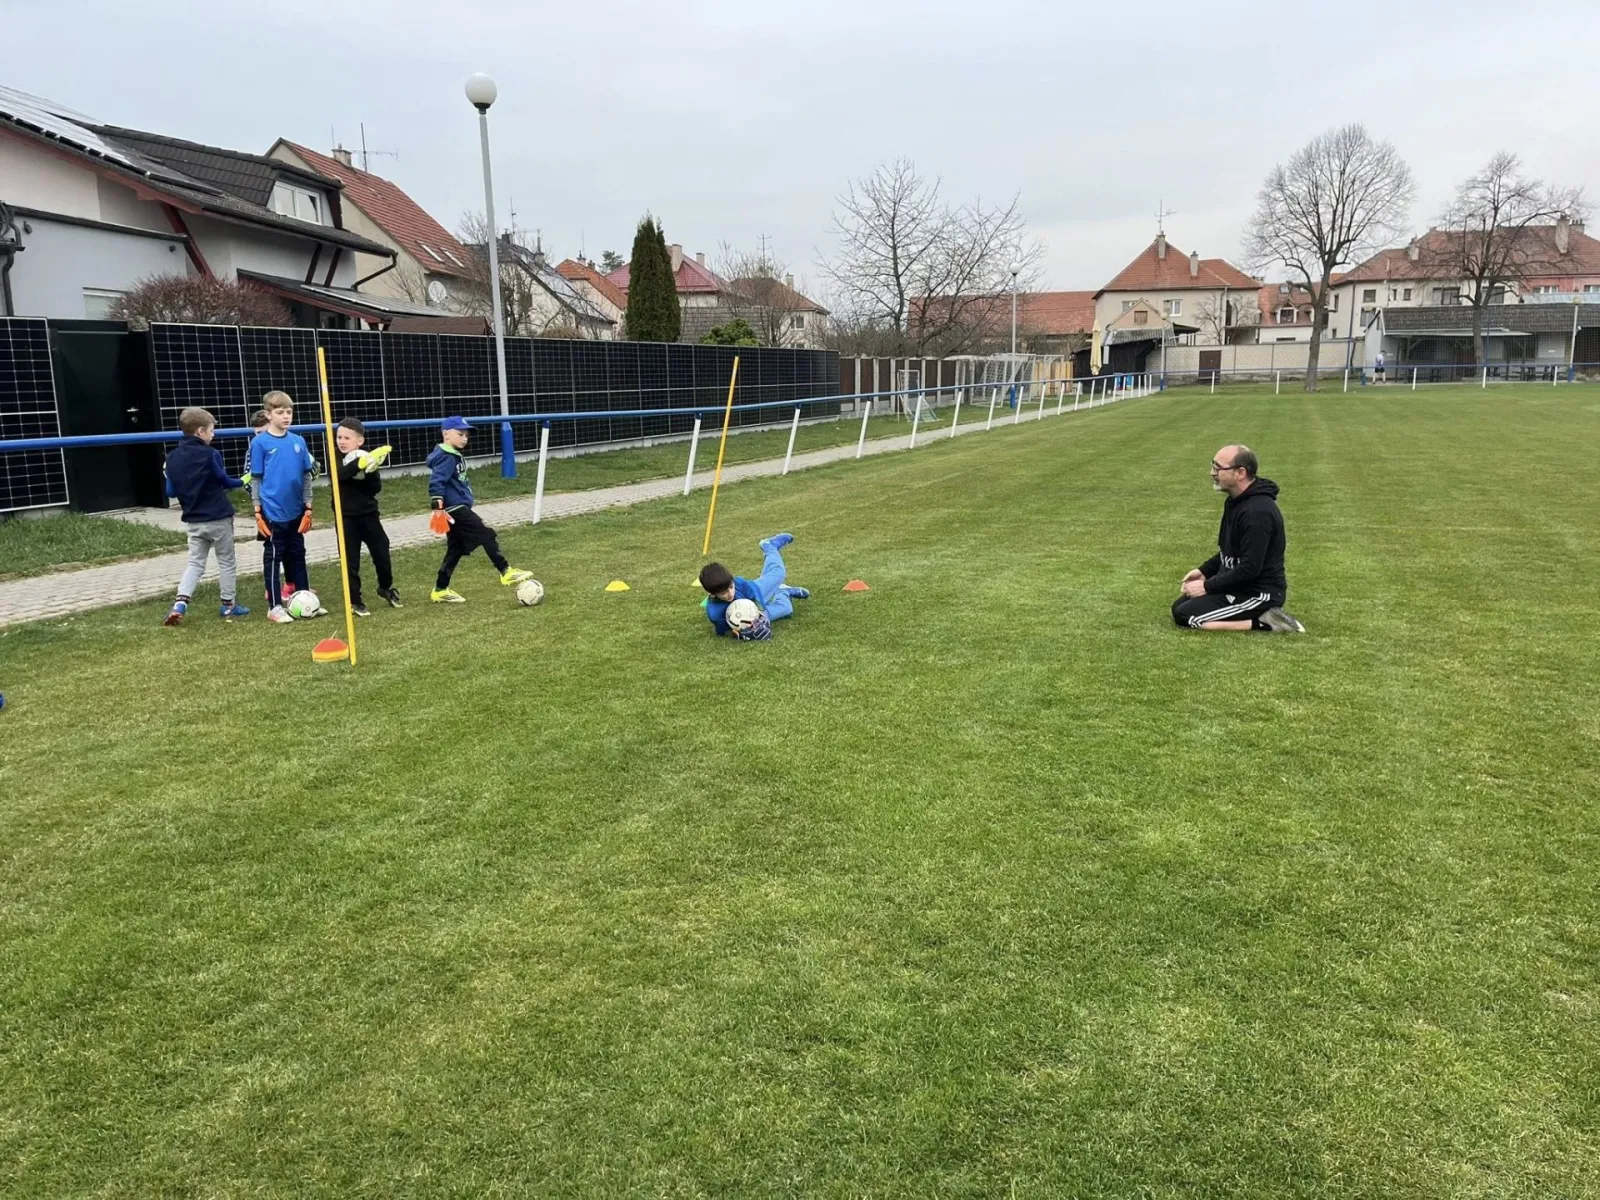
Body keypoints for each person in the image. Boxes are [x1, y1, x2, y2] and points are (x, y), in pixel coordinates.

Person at [1173, 444, 1305, 633]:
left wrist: (1206, 587)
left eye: (1218, 468)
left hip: (1258, 593)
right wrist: (1204, 571)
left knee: (1186, 615)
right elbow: (1230, 551)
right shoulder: (1236, 502)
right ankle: (1262, 618)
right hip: (1239, 586)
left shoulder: (1257, 512)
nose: (1212, 473)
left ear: (1240, 473)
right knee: (1179, 607)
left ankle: (1266, 622)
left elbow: (1250, 568)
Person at [426, 416, 533, 602]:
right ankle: (505, 571)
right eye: (460, 434)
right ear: (446, 434)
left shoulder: (451, 454)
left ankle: (440, 589)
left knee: (455, 549)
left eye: (466, 435)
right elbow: (436, 481)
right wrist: (437, 505)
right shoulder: (446, 456)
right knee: (486, 534)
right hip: (455, 508)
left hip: (455, 507)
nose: (464, 438)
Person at [162, 406, 249, 625]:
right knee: (226, 561)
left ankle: (180, 603)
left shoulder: (171, 458)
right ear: (200, 431)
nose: (214, 434)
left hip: (193, 520)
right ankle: (228, 605)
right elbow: (224, 481)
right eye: (211, 430)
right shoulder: (211, 454)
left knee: (195, 563)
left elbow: (170, 492)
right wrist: (244, 479)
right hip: (218, 516)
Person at [248, 390, 321, 623]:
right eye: (280, 412)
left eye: (289, 412)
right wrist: (257, 510)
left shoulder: (298, 441)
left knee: (298, 554)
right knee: (274, 556)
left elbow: (306, 475)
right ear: (268, 414)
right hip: (272, 511)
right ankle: (274, 606)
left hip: (296, 510)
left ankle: (305, 600)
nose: (286, 416)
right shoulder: (259, 443)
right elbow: (256, 478)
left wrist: (308, 506)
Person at [333, 417, 399, 616]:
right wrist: (358, 464)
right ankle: (355, 601)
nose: (341, 441)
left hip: (369, 514)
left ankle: (385, 587)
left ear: (359, 441)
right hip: (346, 517)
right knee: (350, 560)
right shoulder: (335, 456)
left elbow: (375, 488)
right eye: (339, 437)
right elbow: (341, 475)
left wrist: (370, 469)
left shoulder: (366, 456)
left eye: (347, 438)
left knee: (382, 550)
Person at [698, 532, 811, 641]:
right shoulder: (714, 613)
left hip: (757, 590)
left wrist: (762, 614)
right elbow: (724, 630)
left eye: (731, 587)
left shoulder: (739, 583)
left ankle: (769, 547)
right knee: (786, 609)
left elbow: (755, 598)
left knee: (778, 573)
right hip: (751, 613)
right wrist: (739, 632)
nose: (730, 593)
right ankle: (783, 591)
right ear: (712, 594)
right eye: (724, 593)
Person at [246, 408, 289, 607]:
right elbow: (249, 480)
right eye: (257, 433)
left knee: (290, 547)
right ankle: (272, 588)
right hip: (267, 507)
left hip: (287, 505)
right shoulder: (254, 449)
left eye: (264, 432)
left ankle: (292, 584)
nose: (260, 437)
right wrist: (261, 499)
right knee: (273, 549)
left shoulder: (286, 444)